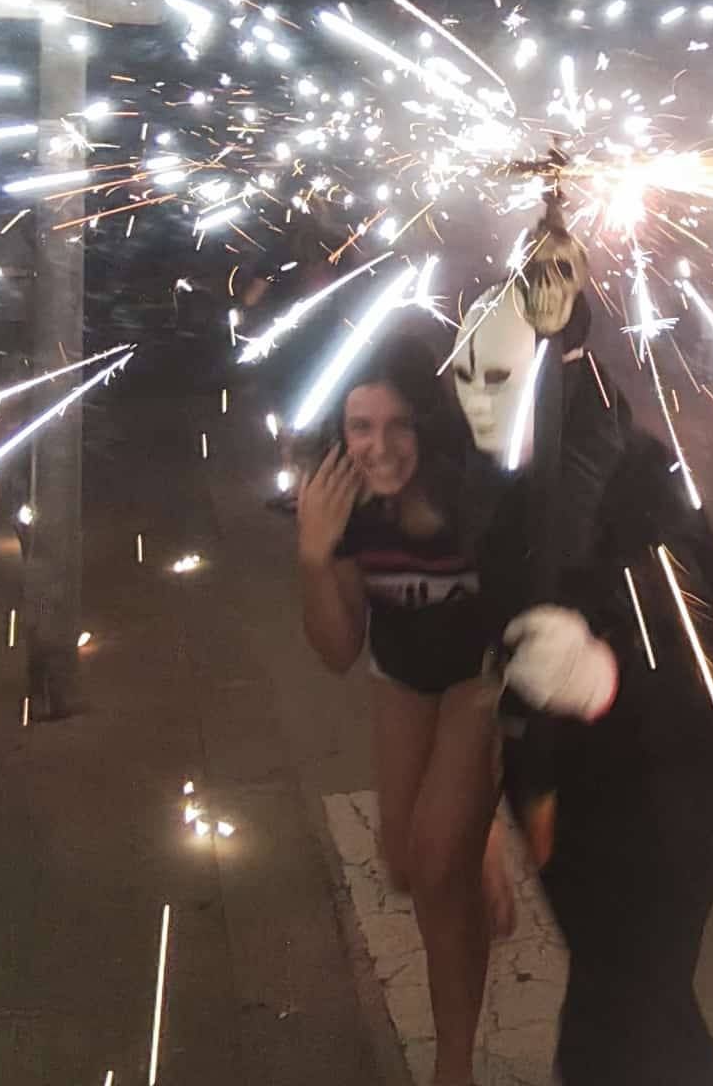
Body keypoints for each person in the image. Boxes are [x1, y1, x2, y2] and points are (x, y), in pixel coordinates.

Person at [453, 279, 713, 1086]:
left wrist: (609, 663)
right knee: (632, 1008)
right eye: (468, 373)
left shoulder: (632, 460)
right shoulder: (491, 475)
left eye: (501, 377)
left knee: (628, 1013)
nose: (478, 396)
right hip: (563, 797)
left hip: (654, 794)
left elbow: (693, 590)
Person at [296, 335, 511, 1086]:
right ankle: (476, 835)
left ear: (428, 422)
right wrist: (314, 555)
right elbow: (337, 650)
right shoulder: (343, 504)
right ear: (340, 433)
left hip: (480, 676)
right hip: (401, 673)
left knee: (437, 857)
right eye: (361, 428)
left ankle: (454, 1064)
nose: (380, 448)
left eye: (399, 426)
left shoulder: (472, 492)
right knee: (403, 860)